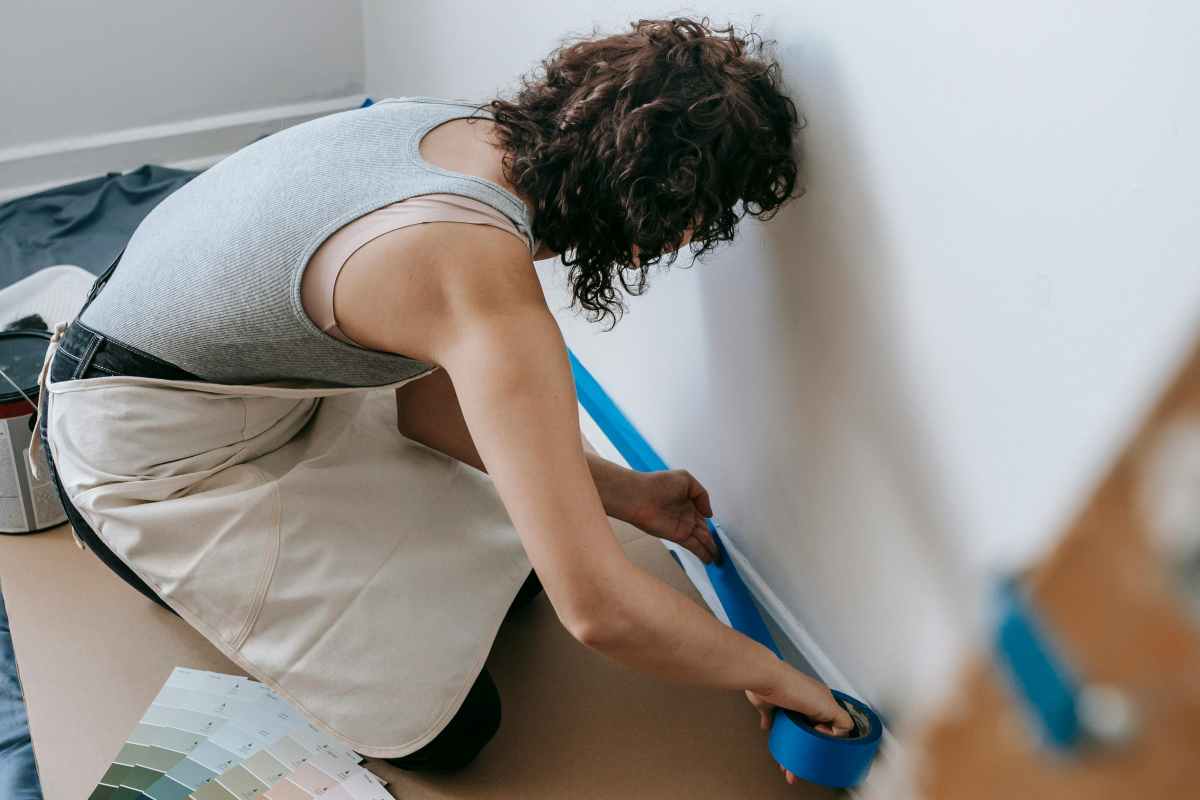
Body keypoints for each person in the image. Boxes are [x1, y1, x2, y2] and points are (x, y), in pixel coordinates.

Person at [36, 16, 852, 783]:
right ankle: (151, 564)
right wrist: (782, 679)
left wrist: (627, 496)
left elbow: (425, 414)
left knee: (525, 563)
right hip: (139, 457)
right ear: (655, 207)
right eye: (697, 222)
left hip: (243, 389)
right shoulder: (470, 271)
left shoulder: (459, 133)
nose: (682, 245)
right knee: (454, 731)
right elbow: (599, 610)